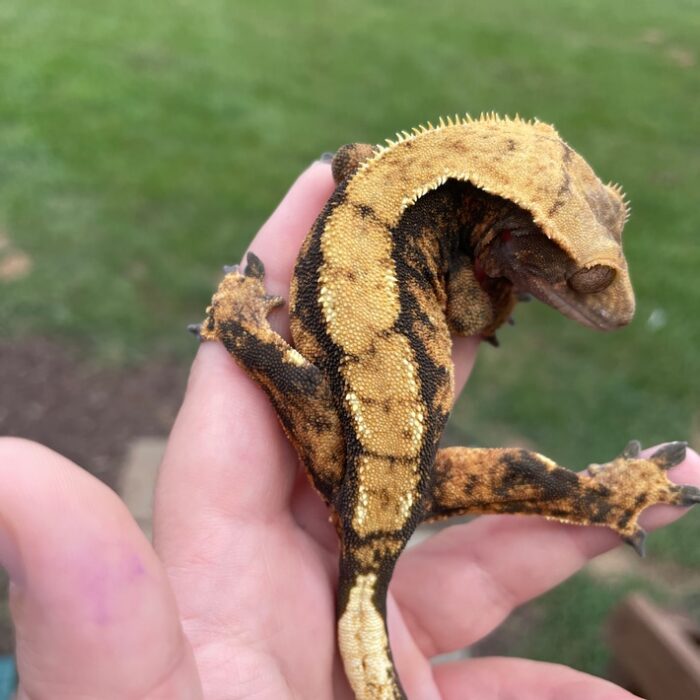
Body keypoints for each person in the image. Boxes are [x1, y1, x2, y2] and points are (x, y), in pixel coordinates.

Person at [0, 161, 697, 700]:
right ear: (507, 230)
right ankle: (604, 499)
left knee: (314, 395)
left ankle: (238, 324)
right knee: (515, 471)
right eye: (585, 279)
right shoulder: (457, 243)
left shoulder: (377, 177)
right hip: (390, 476)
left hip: (368, 469)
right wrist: (492, 292)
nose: (615, 304)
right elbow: (466, 309)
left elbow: (353, 164)